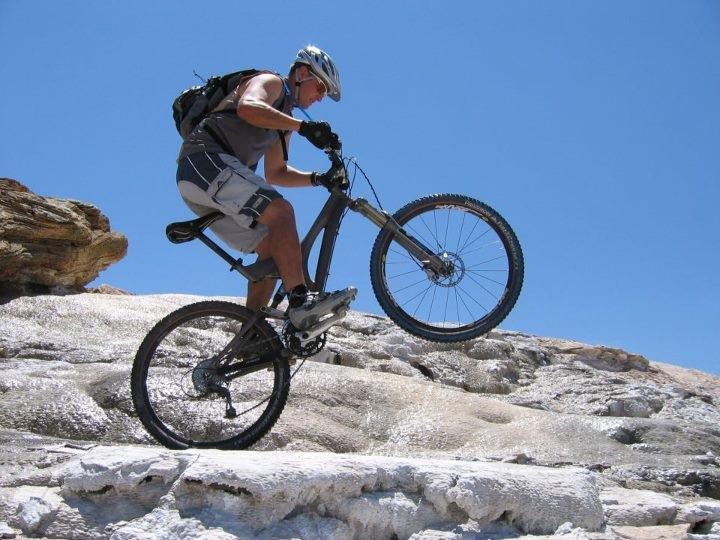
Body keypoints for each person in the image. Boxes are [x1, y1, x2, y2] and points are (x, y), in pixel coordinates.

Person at [175, 45, 354, 330]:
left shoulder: (282, 121)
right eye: (320, 87)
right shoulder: (272, 82)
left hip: (211, 186)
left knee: (273, 247)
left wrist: (318, 178)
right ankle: (300, 301)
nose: (320, 97)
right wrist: (303, 128)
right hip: (204, 162)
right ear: (303, 73)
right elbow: (248, 107)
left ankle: (252, 333)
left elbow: (277, 172)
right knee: (281, 212)